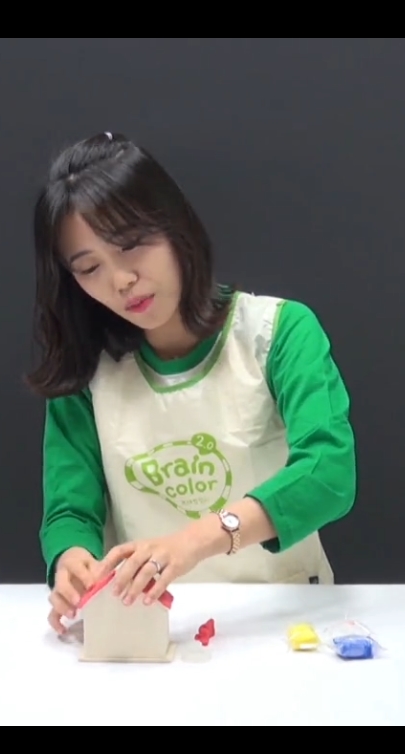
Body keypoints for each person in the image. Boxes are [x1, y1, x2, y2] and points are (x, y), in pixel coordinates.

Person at [26, 132, 357, 635]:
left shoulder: (278, 332)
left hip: (285, 617)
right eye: (90, 268)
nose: (121, 280)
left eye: (131, 245)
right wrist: (71, 559)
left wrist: (193, 542)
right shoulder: (88, 373)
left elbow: (328, 473)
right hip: (152, 628)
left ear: (174, 223)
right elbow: (70, 510)